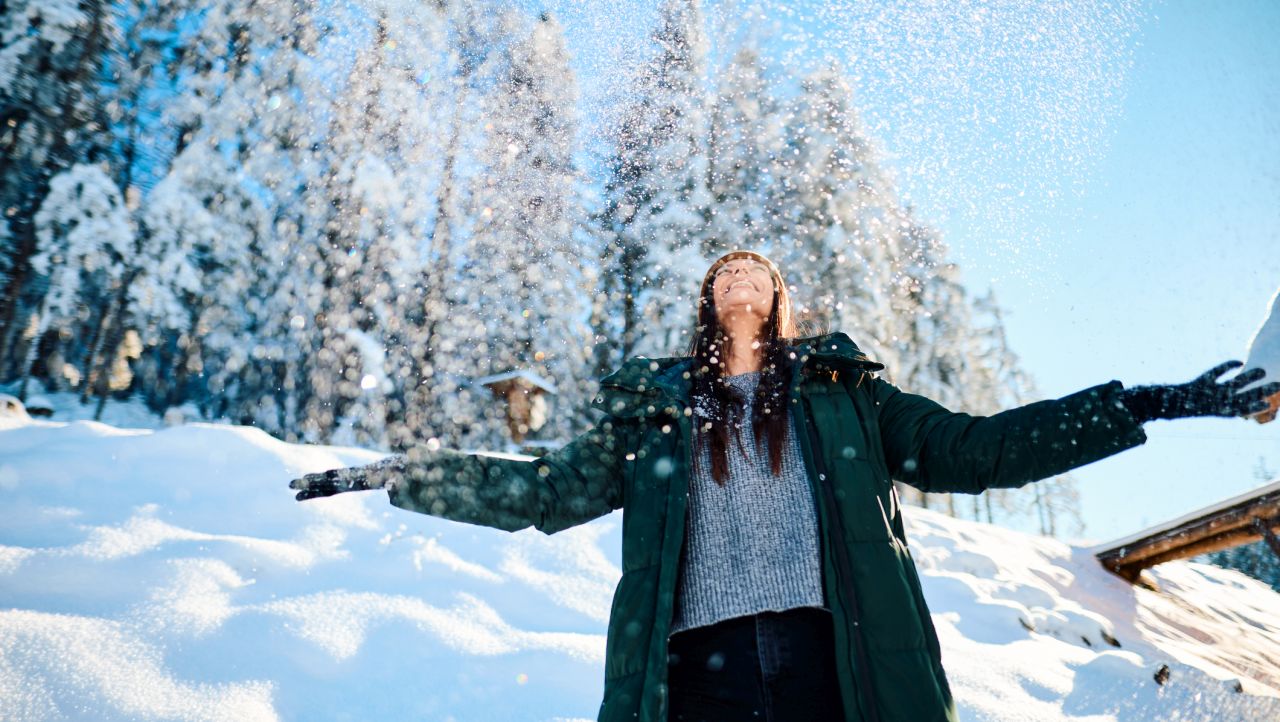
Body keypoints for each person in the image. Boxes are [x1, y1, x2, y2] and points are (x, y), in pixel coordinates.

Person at [289, 250, 1278, 722]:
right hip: (696, 670)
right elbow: (546, 487)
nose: (740, 271)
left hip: (826, 656)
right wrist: (411, 474)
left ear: (778, 298)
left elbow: (980, 451)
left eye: (756, 267)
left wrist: (1146, 400)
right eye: (723, 266)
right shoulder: (658, 411)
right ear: (707, 299)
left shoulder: (846, 398)